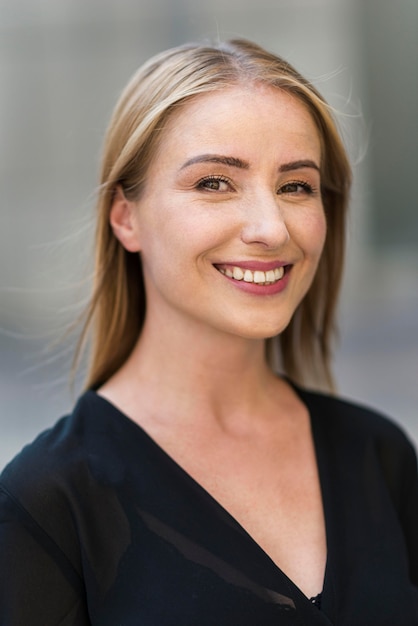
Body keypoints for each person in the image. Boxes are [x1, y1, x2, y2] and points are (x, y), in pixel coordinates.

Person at [0, 39, 417, 626]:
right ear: (126, 217)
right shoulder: (47, 503)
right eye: (215, 183)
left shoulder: (381, 456)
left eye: (296, 185)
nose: (271, 228)